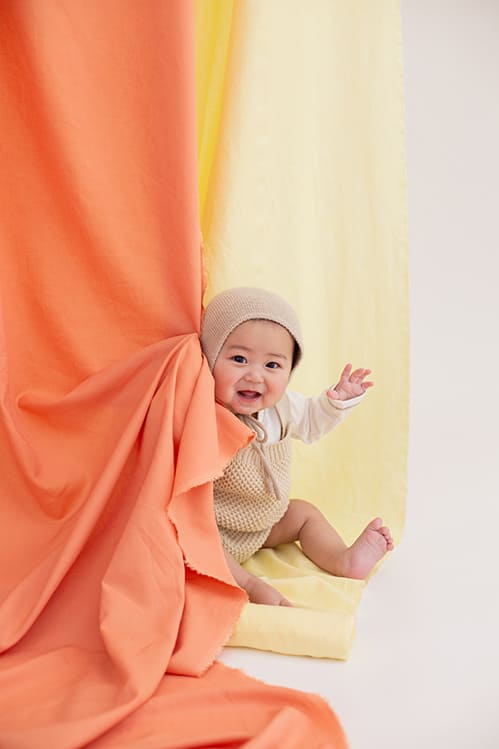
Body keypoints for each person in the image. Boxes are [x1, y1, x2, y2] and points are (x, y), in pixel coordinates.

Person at [201, 287, 393, 606]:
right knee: (195, 542)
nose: (255, 375)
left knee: (304, 513)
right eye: (239, 359)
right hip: (216, 530)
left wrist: (337, 401)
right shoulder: (204, 414)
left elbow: (313, 421)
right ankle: (249, 584)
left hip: (265, 523)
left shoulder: (283, 407)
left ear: (290, 370)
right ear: (208, 358)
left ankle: (344, 559)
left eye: (272, 365)